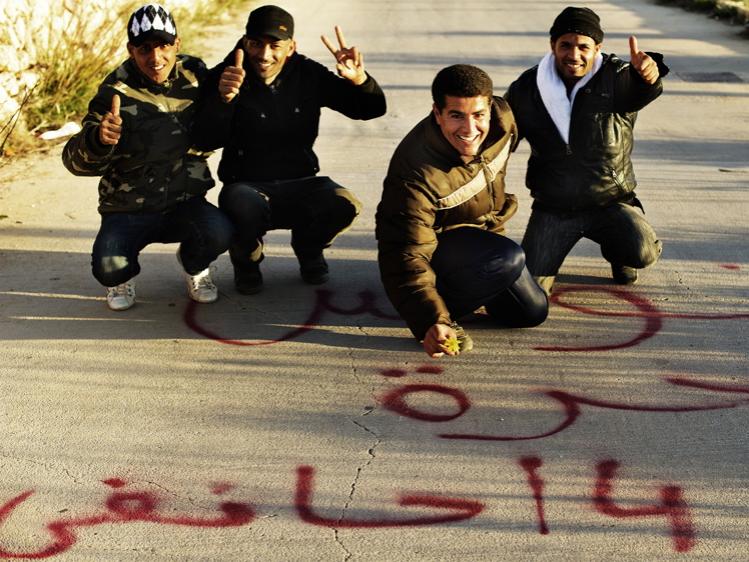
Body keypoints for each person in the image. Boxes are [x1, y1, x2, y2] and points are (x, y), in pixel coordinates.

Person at [192, 5, 386, 294]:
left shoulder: (307, 73)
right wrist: (223, 102)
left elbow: (370, 110)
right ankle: (247, 261)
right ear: (246, 42)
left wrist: (359, 81)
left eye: (275, 45)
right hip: (247, 186)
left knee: (344, 203)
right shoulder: (226, 75)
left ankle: (309, 248)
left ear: (291, 47)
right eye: (256, 43)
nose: (264, 54)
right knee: (243, 202)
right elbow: (204, 140)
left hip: (301, 182)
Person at [63, 3, 232, 311]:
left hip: (184, 201)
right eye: (144, 49)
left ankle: (194, 265)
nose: (156, 58)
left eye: (164, 46)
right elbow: (74, 162)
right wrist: (99, 140)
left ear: (177, 44)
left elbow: (217, 126)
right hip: (129, 209)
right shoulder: (113, 91)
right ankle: (122, 278)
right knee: (108, 267)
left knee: (219, 231)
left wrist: (226, 100)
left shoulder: (195, 74)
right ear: (131, 50)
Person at [376, 65, 549, 358]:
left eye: (478, 115)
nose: (470, 130)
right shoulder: (416, 172)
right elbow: (406, 254)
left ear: (491, 109)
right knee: (508, 257)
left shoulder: (504, 122)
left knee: (532, 312)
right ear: (437, 113)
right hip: (435, 248)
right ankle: (443, 307)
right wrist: (431, 320)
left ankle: (475, 280)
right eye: (456, 115)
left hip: (478, 239)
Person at [505, 6, 668, 294]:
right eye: (565, 45)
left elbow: (637, 89)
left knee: (640, 251)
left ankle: (619, 251)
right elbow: (502, 138)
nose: (574, 55)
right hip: (554, 208)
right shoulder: (528, 87)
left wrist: (647, 77)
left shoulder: (615, 76)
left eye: (584, 46)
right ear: (553, 45)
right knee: (529, 293)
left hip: (610, 201)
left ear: (598, 48)